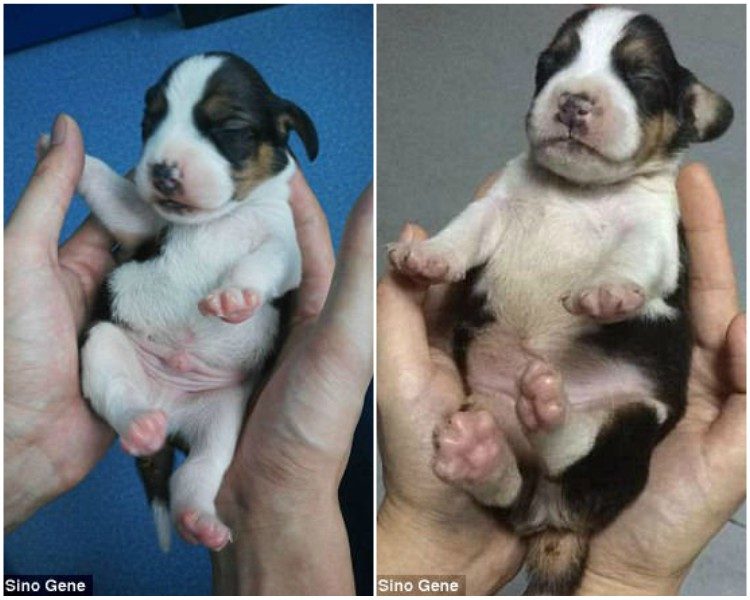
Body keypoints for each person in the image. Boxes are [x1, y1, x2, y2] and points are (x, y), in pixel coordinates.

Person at [4, 114, 373, 594]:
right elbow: (129, 215)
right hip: (137, 350)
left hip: (216, 388)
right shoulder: (171, 205)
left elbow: (280, 259)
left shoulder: (270, 212)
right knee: (99, 349)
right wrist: (86, 172)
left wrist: (247, 285)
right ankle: (127, 409)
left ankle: (194, 500)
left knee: (219, 442)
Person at [377, 164, 746, 594]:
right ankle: (503, 477)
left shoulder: (653, 201)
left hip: (598, 406)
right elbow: (490, 217)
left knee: (629, 426)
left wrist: (429, 546)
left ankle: (535, 455)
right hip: (503, 406)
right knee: (515, 470)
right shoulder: (524, 179)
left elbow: (652, 255)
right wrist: (627, 585)